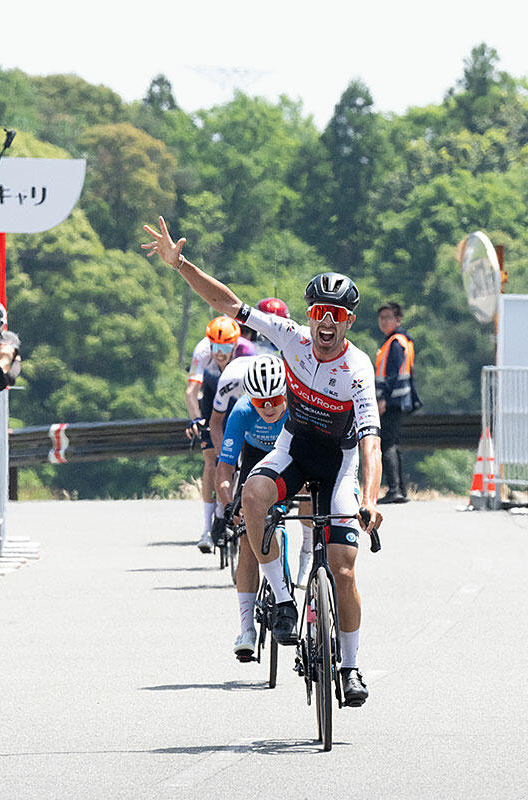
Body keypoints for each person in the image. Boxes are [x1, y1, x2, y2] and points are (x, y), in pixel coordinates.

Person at [144, 216, 382, 707]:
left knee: (344, 570)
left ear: (348, 322)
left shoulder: (357, 369)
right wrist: (180, 264)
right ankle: (284, 602)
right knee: (253, 494)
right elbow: (227, 304)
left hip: (337, 464)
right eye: (319, 312)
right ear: (309, 315)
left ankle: (351, 666)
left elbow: (371, 443)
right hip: (294, 448)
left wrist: (372, 500)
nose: (326, 322)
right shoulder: (291, 338)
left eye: (336, 315)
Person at [211, 355, 289, 660]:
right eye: (260, 403)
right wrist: (228, 506)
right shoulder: (242, 411)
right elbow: (224, 470)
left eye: (275, 400)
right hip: (256, 459)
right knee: (247, 541)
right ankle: (246, 629)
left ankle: (309, 562)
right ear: (250, 399)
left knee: (312, 506)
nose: (268, 408)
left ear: (285, 394)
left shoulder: (297, 407)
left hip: (290, 456)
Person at [187, 315, 247, 553]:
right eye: (216, 347)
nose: (220, 354)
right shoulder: (202, 351)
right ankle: (207, 528)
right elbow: (191, 391)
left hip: (238, 394)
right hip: (212, 394)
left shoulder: (246, 351)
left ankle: (233, 509)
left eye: (225, 348)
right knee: (212, 461)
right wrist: (196, 419)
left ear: (235, 344)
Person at [374, 301, 420, 504]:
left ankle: (394, 489)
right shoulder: (401, 341)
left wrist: (383, 398)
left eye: (388, 317)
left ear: (398, 319)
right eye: (381, 318)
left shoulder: (395, 343)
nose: (384, 321)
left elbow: (392, 375)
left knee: (387, 443)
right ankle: (400, 489)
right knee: (392, 442)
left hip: (392, 401)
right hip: (399, 400)